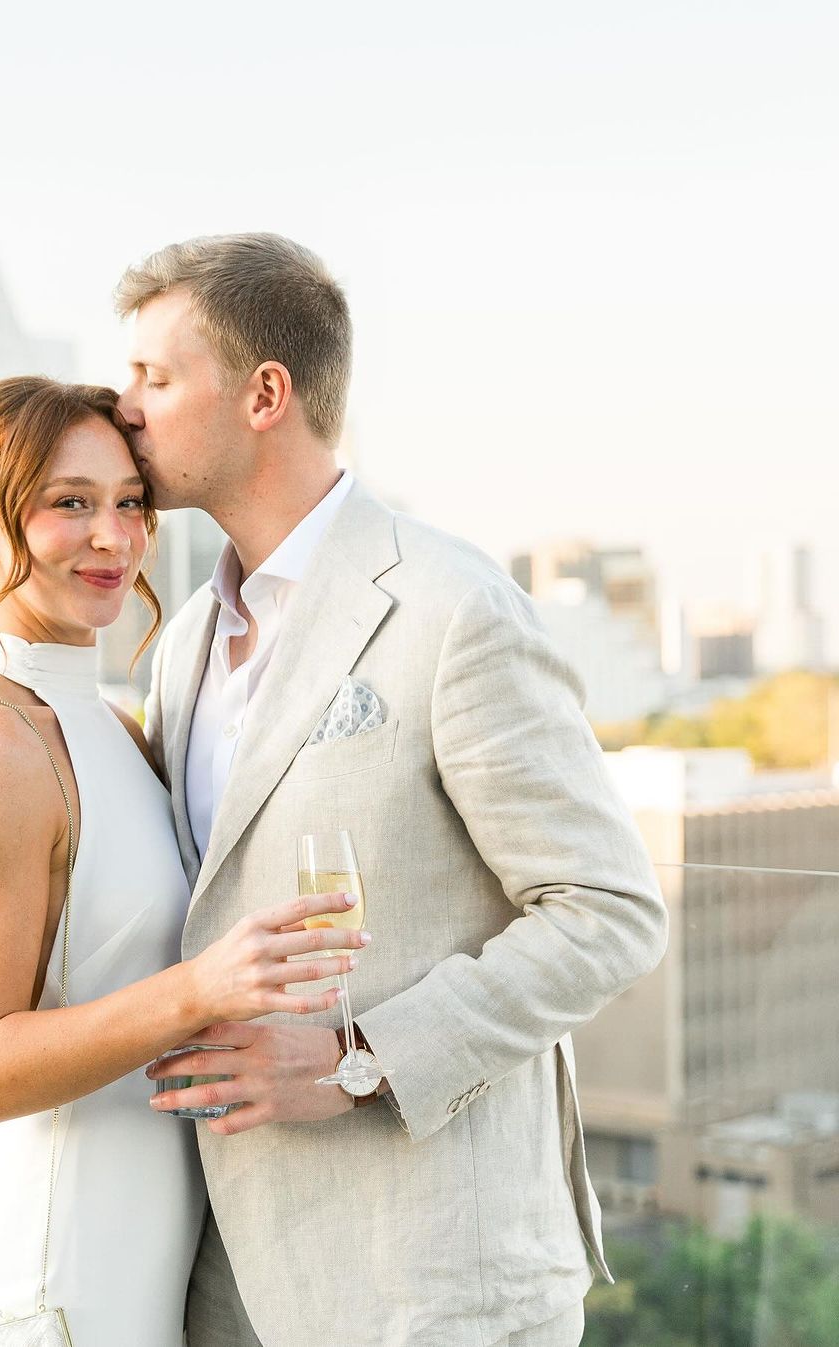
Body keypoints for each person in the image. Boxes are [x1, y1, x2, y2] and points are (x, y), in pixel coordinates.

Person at [114, 234, 669, 1347]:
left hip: (434, 1289)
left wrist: (357, 1059)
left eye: (154, 377)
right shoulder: (179, 645)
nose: (123, 406)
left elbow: (610, 913)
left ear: (265, 393)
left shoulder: (453, 608)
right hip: (228, 1283)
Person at [0, 376, 367, 1347]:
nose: (113, 536)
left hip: (139, 1278)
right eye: (69, 503)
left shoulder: (106, 720)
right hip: (50, 1289)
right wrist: (202, 990)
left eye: (130, 502)